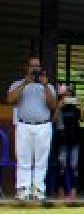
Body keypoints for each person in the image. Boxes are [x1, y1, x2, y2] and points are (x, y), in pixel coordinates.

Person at [7, 54, 58, 203]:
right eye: (32, 66)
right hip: (23, 125)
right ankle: (23, 189)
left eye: (37, 66)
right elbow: (10, 99)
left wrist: (45, 86)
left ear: (41, 69)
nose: (35, 69)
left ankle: (38, 189)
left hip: (43, 125)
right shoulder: (17, 84)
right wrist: (25, 84)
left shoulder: (47, 86)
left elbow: (53, 106)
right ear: (26, 68)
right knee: (23, 158)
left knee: (41, 160)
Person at [53, 85, 82, 200]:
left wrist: (80, 106)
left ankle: (73, 191)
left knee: (74, 166)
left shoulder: (75, 108)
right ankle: (60, 191)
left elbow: (83, 118)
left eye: (70, 95)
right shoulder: (60, 106)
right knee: (62, 165)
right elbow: (54, 120)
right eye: (65, 95)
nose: (67, 97)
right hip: (62, 138)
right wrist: (59, 107)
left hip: (74, 138)